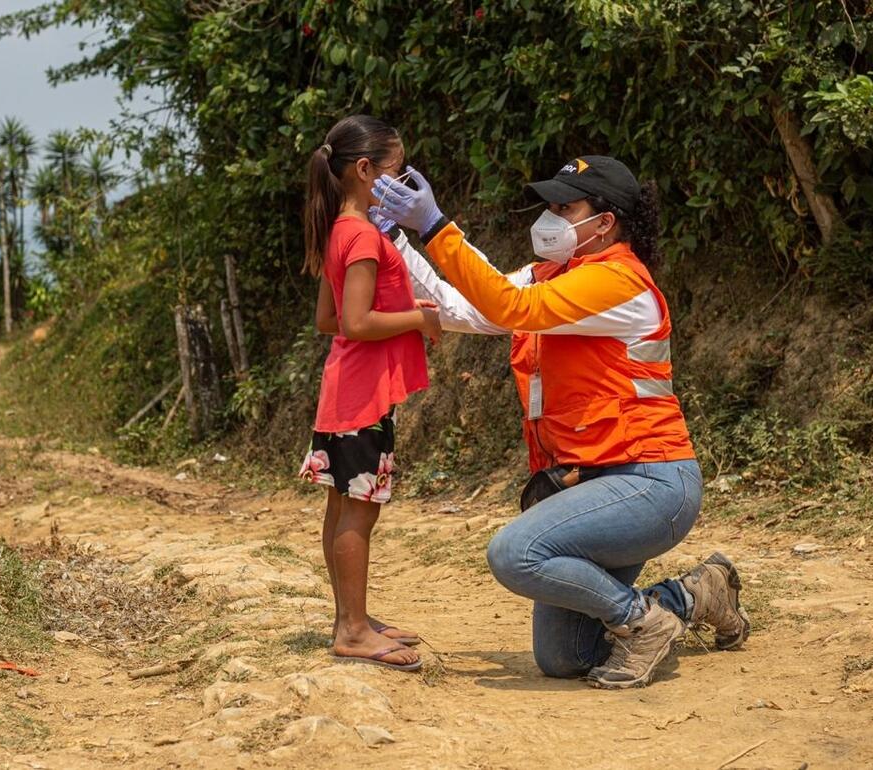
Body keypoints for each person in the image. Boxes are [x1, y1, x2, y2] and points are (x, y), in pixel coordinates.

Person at [372, 156, 749, 689]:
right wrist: (398, 241)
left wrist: (434, 225)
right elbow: (465, 307)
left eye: (565, 207)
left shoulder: (618, 282)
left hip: (652, 482)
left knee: (513, 554)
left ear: (605, 222)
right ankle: (693, 595)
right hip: (596, 484)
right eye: (550, 205)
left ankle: (642, 622)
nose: (550, 218)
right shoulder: (551, 277)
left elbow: (510, 307)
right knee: (565, 656)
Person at [298, 115, 441, 672]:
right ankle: (353, 630)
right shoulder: (362, 236)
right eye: (395, 171)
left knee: (343, 505)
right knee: (359, 513)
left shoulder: (342, 229)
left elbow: (327, 318)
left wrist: (400, 313)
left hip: (346, 389)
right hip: (364, 396)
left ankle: (350, 618)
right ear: (364, 170)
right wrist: (418, 319)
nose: (401, 183)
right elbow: (355, 322)